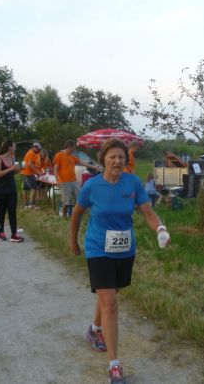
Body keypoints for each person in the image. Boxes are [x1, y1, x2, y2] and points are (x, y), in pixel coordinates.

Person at [69, 138, 170, 384]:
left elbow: (148, 212)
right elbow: (77, 214)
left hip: (124, 250)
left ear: (126, 160)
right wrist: (73, 241)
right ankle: (114, 365)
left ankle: (95, 329)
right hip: (98, 249)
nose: (117, 161)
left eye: (121, 157)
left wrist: (161, 229)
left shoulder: (132, 182)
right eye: (112, 156)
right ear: (103, 159)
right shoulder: (92, 186)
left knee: (110, 295)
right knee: (111, 304)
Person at [53, 140, 98, 218]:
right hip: (64, 181)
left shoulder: (72, 156)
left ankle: (78, 213)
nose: (74, 149)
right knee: (66, 201)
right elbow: (55, 168)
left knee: (80, 196)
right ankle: (64, 216)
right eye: (73, 147)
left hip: (74, 181)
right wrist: (57, 180)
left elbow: (83, 163)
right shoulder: (59, 155)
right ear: (69, 147)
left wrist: (94, 167)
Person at [0, 140, 24, 242]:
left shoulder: (13, 157)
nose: (15, 148)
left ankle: (14, 235)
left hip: (11, 189)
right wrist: (10, 169)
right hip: (0, 189)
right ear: (9, 147)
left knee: (12, 211)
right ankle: (1, 233)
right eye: (14, 146)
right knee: (1, 211)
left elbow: (11, 173)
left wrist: (19, 169)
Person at [20, 142, 43, 209]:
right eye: (38, 149)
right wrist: (37, 172)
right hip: (28, 173)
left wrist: (37, 169)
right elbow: (30, 164)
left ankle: (26, 205)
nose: (39, 151)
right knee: (34, 188)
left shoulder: (29, 152)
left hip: (24, 172)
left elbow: (31, 164)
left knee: (25, 189)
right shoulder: (31, 153)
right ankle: (31, 204)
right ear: (35, 147)